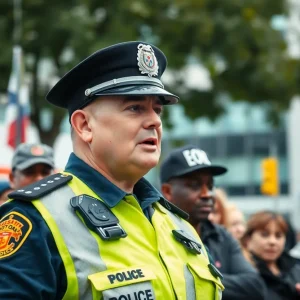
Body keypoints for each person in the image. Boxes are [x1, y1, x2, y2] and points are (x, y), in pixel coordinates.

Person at [0, 42, 224, 299]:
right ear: (84, 125)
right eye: (135, 108)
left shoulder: (177, 224)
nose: (155, 121)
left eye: (157, 109)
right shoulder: (37, 221)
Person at [160, 145, 266, 300]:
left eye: (210, 185)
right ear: (168, 191)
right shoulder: (156, 234)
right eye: (195, 185)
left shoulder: (220, 235)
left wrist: (194, 279)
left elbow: (255, 286)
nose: (206, 194)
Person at [242, 211, 300, 300]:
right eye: (264, 235)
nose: (272, 242)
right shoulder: (242, 272)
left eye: (278, 235)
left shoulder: (295, 268)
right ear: (248, 239)